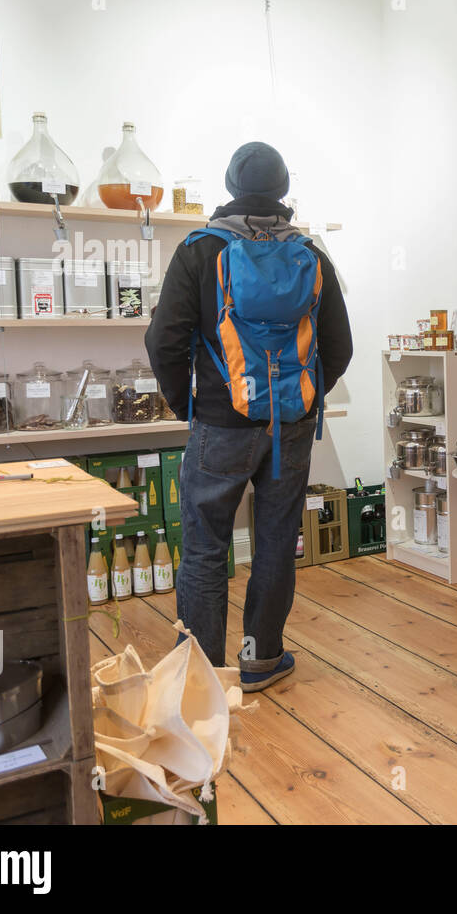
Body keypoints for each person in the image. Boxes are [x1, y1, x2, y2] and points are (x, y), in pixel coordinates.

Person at [146, 142, 352, 686]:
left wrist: (188, 404)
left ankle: (202, 674)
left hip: (220, 424)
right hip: (292, 426)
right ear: (284, 190)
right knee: (278, 539)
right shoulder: (313, 254)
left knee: (207, 543)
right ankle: (261, 659)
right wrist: (302, 398)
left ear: (231, 185)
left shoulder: (199, 251)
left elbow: (164, 340)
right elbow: (342, 346)